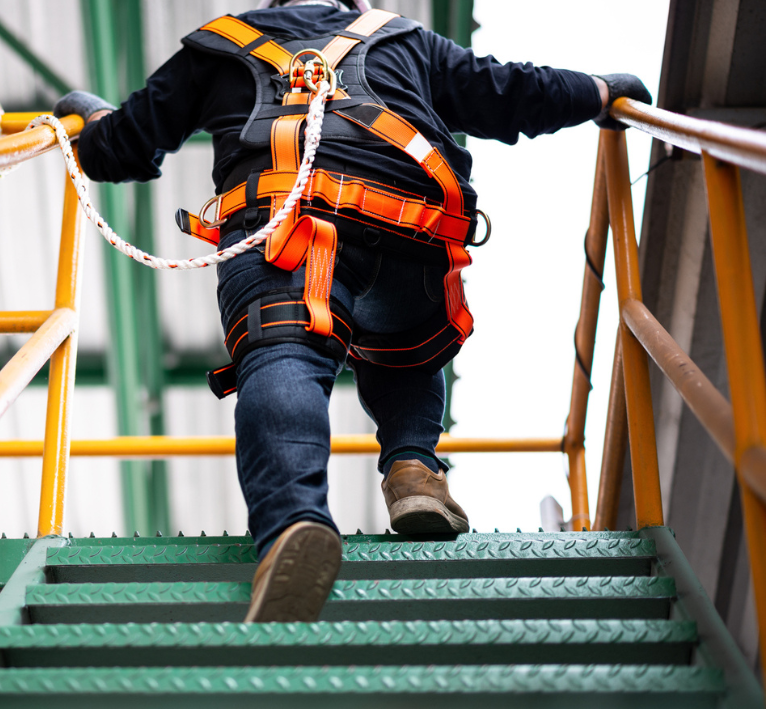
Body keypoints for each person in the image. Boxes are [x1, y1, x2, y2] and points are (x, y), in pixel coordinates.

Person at [54, 0, 651, 622]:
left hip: (286, 228)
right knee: (406, 348)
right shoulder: (404, 39)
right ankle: (414, 470)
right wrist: (602, 92)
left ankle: (293, 525)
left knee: (284, 352)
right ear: (355, 5)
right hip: (412, 233)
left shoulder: (216, 47)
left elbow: (119, 148)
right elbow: (509, 91)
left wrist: (89, 115)